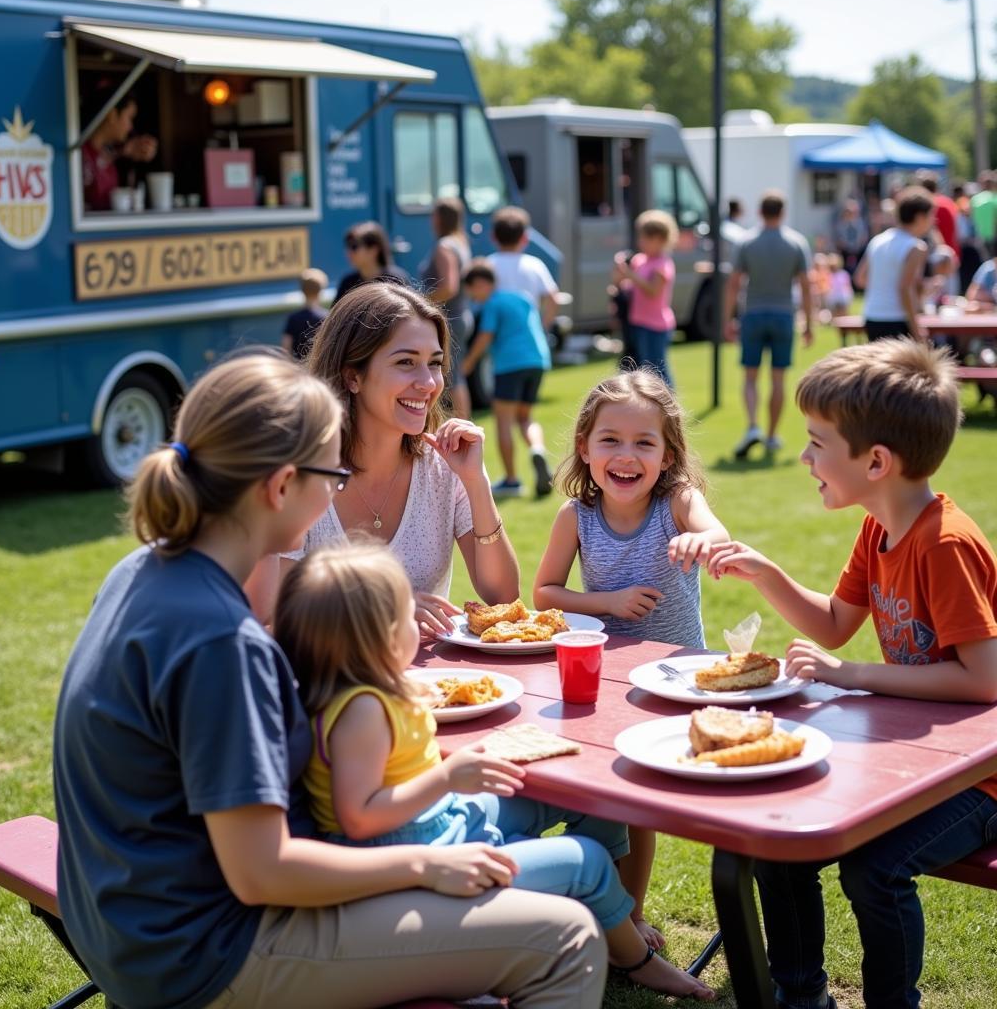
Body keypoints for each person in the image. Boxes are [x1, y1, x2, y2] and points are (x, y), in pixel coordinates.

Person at [53, 350, 607, 1009]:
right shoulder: (221, 641)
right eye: (332, 473)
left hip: (129, 922)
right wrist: (424, 864)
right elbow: (262, 872)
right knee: (566, 940)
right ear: (281, 486)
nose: (338, 488)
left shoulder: (143, 570)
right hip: (207, 951)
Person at [274, 541, 716, 1003]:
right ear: (381, 637)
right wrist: (447, 776)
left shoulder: (372, 690)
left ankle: (619, 919)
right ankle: (634, 960)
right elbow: (358, 817)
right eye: (408, 615)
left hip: (441, 819)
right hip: (418, 853)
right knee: (587, 862)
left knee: (575, 791)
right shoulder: (361, 712)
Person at [707, 338, 997, 1009]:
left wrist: (854, 675)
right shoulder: (880, 528)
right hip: (925, 761)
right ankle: (801, 996)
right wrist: (765, 571)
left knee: (876, 870)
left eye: (815, 444)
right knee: (784, 844)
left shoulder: (944, 543)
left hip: (981, 780)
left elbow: (984, 681)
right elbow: (837, 620)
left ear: (875, 462)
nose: (805, 458)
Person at [533, 369, 730, 945]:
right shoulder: (576, 517)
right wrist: (607, 601)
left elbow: (716, 534)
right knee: (603, 795)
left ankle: (632, 913)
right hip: (602, 678)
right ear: (584, 449)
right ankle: (600, 907)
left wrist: (704, 540)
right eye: (610, 440)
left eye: (644, 443)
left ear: (668, 456)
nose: (626, 455)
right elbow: (545, 594)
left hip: (672, 682)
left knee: (637, 801)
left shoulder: (677, 503)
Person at [245, 282, 519, 638]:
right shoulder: (302, 476)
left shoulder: (443, 469)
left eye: (434, 364)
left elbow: (503, 596)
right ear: (352, 376)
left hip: (431, 684)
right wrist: (387, 606)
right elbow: (271, 619)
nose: (428, 383)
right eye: (406, 363)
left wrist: (476, 483)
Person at [724, 190, 814, 458]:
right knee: (778, 378)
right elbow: (807, 287)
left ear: (760, 212)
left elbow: (734, 283)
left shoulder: (746, 241)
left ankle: (753, 425)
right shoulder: (796, 242)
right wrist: (810, 323)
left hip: (753, 314)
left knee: (750, 377)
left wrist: (728, 318)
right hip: (784, 315)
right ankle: (772, 435)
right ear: (782, 212)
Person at [462, 259, 553, 498]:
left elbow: (485, 336)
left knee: (503, 421)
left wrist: (468, 363)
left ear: (481, 283)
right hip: (538, 361)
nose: (472, 296)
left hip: (509, 365)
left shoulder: (491, 304)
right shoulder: (522, 297)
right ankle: (537, 449)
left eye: (471, 289)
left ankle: (512, 481)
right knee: (525, 417)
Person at [853, 186, 934, 342]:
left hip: (872, 316)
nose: (932, 221)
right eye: (930, 216)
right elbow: (905, 288)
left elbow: (860, 278)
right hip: (897, 319)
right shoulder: (916, 247)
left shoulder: (878, 240)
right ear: (919, 217)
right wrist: (916, 329)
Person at [613, 210, 679, 388]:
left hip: (656, 326)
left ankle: (668, 410)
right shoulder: (639, 260)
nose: (640, 242)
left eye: (645, 238)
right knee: (643, 371)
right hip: (638, 322)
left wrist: (630, 275)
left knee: (657, 372)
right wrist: (620, 274)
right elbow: (629, 287)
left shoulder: (662, 264)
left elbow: (653, 291)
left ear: (658, 239)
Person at [421, 197, 473, 420]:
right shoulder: (461, 242)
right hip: (462, 314)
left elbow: (448, 286)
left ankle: (463, 425)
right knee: (455, 374)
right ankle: (464, 423)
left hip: (450, 317)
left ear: (440, 218)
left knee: (452, 377)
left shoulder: (445, 246)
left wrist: (419, 300)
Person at [81, 89, 157, 212]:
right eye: (129, 118)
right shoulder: (78, 154)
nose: (130, 127)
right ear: (112, 115)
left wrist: (127, 152)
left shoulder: (112, 155)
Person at [489, 206, 560, 331]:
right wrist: (543, 327)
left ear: (493, 237)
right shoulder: (535, 265)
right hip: (528, 333)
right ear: (525, 238)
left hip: (498, 334)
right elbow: (553, 298)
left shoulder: (488, 264)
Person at [334, 221, 411, 303]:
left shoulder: (396, 279)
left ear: (374, 250)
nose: (349, 252)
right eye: (347, 247)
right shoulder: (347, 283)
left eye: (354, 246)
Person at [281, 268, 328, 359]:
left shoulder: (293, 318)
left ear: (302, 290)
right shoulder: (326, 317)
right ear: (320, 291)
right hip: (318, 368)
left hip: (298, 368)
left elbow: (286, 347)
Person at [833, 198, 868, 280]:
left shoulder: (861, 223)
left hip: (858, 250)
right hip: (845, 251)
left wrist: (856, 247)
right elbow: (839, 239)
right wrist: (847, 247)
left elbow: (863, 237)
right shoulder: (840, 224)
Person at [970, 171, 996, 257]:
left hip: (979, 237)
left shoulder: (975, 199)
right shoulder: (994, 199)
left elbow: (971, 218)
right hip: (994, 237)